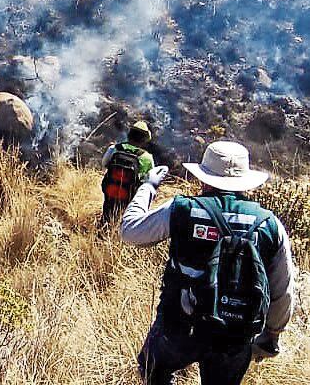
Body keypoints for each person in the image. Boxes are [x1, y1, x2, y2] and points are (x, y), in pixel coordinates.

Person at [120, 141, 298, 385]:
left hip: (179, 327)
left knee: (153, 369)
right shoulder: (270, 224)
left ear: (204, 178)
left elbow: (131, 231)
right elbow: (282, 291)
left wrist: (148, 186)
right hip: (236, 334)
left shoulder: (182, 209)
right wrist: (271, 335)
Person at [101, 121, 156, 226]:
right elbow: (149, 181)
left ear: (129, 134)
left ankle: (101, 233)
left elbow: (104, 164)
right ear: (144, 140)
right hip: (130, 196)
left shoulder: (114, 149)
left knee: (106, 216)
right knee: (125, 221)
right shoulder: (147, 158)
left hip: (110, 191)